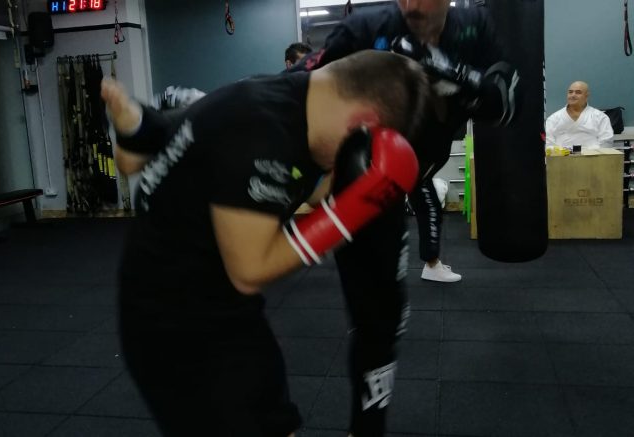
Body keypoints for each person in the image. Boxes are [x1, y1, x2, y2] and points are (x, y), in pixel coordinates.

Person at [100, 49, 430, 437]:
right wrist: (345, 217)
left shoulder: (296, 102)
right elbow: (250, 270)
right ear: (362, 124)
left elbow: (306, 186)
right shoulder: (261, 131)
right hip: (171, 325)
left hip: (229, 311)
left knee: (277, 424)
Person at [290, 1, 518, 434]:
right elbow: (297, 84)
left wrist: (449, 71)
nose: (412, 5)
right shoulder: (365, 28)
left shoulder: (475, 27)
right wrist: (230, 105)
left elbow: (508, 103)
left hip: (408, 174)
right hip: (356, 184)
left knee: (387, 317)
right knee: (377, 320)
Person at [545, 80, 614, 151]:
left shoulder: (600, 117)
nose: (573, 95)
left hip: (593, 156)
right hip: (561, 156)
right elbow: (548, 143)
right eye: (570, 92)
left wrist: (589, 152)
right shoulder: (554, 118)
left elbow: (606, 142)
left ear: (586, 96)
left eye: (578, 92)